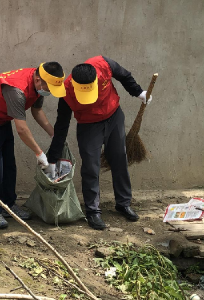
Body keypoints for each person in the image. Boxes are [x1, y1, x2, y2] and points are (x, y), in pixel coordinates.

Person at [45, 56, 153, 230]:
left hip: (114, 116)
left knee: (119, 159)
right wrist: (53, 156)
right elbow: (62, 124)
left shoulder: (104, 65)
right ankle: (93, 211)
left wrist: (138, 92)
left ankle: (123, 203)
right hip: (88, 127)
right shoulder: (66, 91)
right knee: (90, 167)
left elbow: (125, 76)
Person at [0, 63, 66, 229]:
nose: (50, 92)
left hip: (2, 119)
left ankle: (8, 205)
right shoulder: (17, 90)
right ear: (38, 80)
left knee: (9, 166)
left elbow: (37, 111)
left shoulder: (39, 85)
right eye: (49, 88)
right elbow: (22, 129)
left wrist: (54, 134)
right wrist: (39, 153)